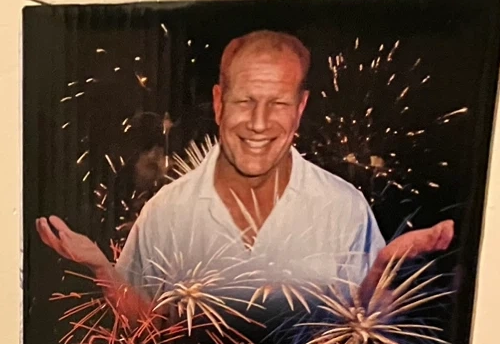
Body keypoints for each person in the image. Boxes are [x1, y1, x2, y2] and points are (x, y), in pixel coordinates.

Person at [37, 29, 453, 315]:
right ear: (219, 103)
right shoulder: (167, 211)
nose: (258, 123)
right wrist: (100, 268)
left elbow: (363, 332)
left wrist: (383, 268)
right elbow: (143, 329)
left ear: (300, 108)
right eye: (244, 101)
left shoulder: (344, 208)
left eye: (278, 104)